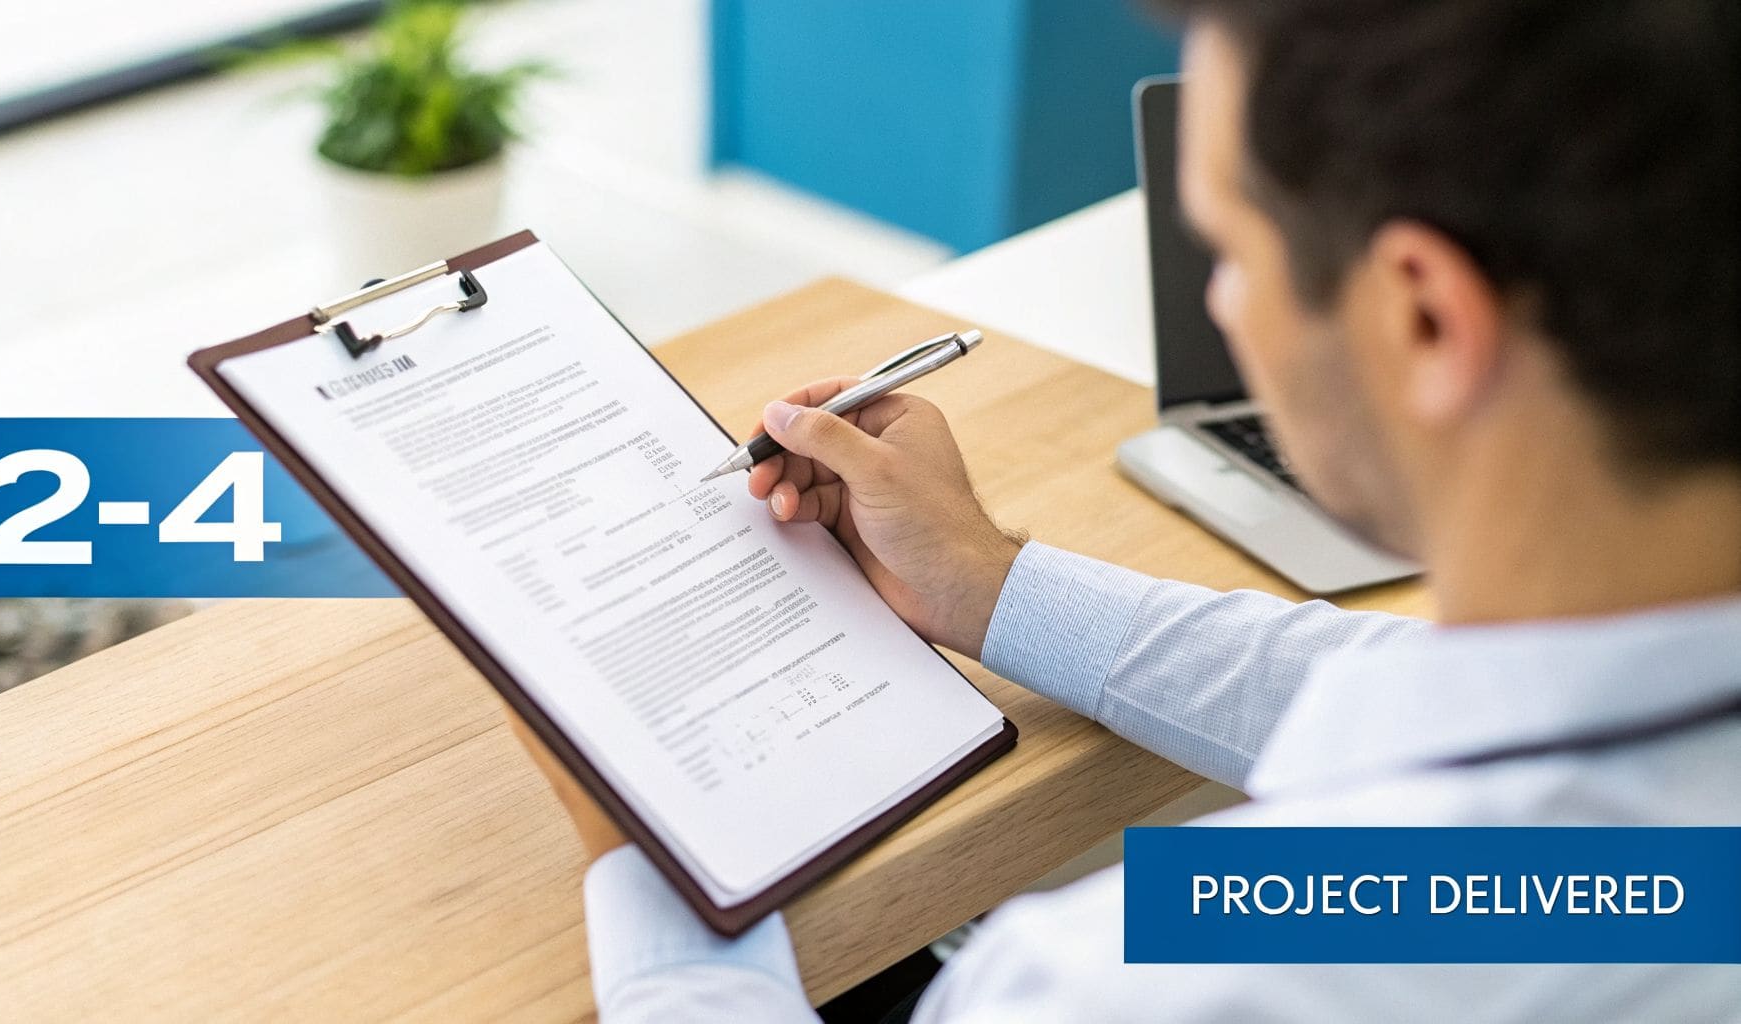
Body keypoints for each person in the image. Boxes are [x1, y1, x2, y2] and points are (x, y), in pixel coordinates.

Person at [516, 0, 1741, 1018]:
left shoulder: (1136, 987)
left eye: (1229, 250)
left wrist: (652, 869)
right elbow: (1459, 758)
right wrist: (991, 584)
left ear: (1419, 316)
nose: (1220, 308)